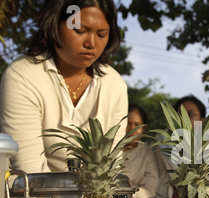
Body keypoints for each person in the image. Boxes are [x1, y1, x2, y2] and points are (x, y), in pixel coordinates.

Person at [0, 0, 127, 173]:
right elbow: (30, 171)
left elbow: (113, 165)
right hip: (30, 195)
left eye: (101, 34)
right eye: (80, 31)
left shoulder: (114, 84)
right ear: (54, 25)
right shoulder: (22, 76)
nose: (91, 43)